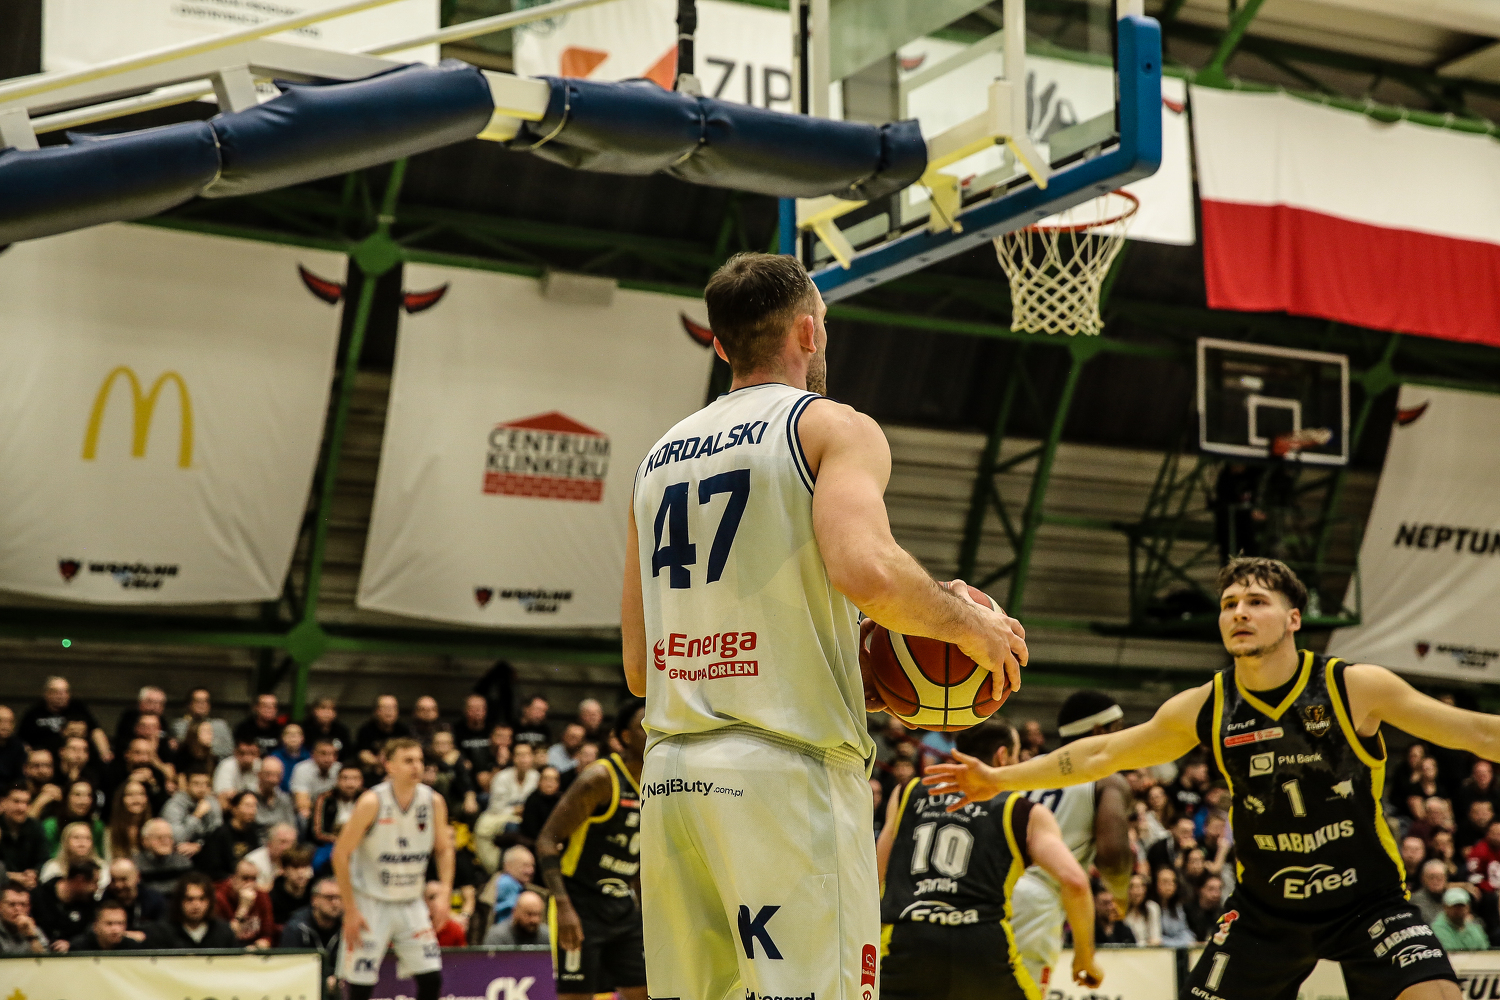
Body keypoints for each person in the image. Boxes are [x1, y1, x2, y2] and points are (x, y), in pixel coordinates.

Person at [623, 253, 1025, 1000]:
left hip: (672, 777)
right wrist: (969, 626)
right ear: (808, 331)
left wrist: (829, 665)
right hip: (786, 773)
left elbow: (640, 669)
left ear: (721, 344)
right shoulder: (830, 425)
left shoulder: (656, 461)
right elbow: (868, 573)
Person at [926, 556, 1478, 1000]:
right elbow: (1102, 753)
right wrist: (1000, 780)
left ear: (1293, 619)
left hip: (1367, 901)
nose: (1239, 613)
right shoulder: (1209, 706)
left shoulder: (1353, 687)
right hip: (1267, 912)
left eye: (1256, 602)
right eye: (1229, 604)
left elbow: (1474, 732)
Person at [876, 716, 1101, 1000]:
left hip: (907, 941)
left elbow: (876, 874)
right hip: (982, 947)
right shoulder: (1023, 810)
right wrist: (1084, 957)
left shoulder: (908, 792)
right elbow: (1075, 882)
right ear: (1002, 756)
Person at [1008, 691, 1132, 987]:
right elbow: (1113, 856)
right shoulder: (1108, 780)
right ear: (1099, 731)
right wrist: (1120, 895)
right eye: (1119, 729)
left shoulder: (1026, 768)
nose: (1125, 738)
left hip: (995, 891)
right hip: (1038, 898)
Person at [536, 700, 647, 1000]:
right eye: (644, 726)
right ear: (625, 736)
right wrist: (564, 907)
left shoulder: (659, 782)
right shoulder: (600, 779)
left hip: (623, 905)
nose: (653, 731)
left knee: (645, 992)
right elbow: (546, 840)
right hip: (580, 904)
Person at [333, 738, 454, 1000]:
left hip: (411, 902)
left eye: (419, 760)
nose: (417, 766)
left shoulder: (433, 801)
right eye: (408, 761)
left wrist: (445, 893)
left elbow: (444, 849)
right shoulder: (371, 802)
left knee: (431, 978)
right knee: (360, 987)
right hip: (370, 902)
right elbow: (340, 854)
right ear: (389, 766)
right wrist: (350, 909)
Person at [19, 677, 111, 761]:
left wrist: (105, 754)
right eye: (56, 692)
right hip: (45, 760)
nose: (61, 696)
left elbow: (96, 731)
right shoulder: (34, 713)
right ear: (46, 694)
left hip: (77, 757)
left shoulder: (78, 708)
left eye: (65, 692)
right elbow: (22, 741)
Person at [281, 877, 344, 1000]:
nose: (335, 903)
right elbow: (288, 970)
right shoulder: (296, 928)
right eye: (329, 898)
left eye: (339, 898)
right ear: (314, 900)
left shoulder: (347, 927)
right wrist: (322, 982)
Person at [146, 871, 239, 949]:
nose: (196, 905)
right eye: (189, 899)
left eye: (202, 899)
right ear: (179, 901)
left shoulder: (223, 932)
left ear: (210, 901)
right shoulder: (161, 933)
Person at [31, 859, 99, 951]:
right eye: (94, 882)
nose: (96, 888)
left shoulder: (90, 905)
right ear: (79, 880)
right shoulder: (38, 896)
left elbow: (89, 934)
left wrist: (71, 944)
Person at [199, 791, 262, 881]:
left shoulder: (254, 832)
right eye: (248, 806)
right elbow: (212, 868)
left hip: (249, 880)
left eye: (255, 806)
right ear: (234, 808)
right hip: (225, 881)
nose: (253, 810)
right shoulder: (221, 834)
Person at [312, 766, 364, 873]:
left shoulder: (368, 799)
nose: (350, 783)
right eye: (345, 778)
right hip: (331, 843)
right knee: (317, 863)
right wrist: (340, 841)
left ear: (361, 782)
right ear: (337, 781)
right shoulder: (325, 798)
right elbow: (318, 832)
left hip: (360, 843)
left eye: (355, 779)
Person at [216, 857, 276, 947]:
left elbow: (267, 935)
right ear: (232, 878)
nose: (250, 884)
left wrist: (257, 947)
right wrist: (243, 908)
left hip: (253, 950)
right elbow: (225, 938)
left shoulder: (262, 896)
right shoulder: (219, 898)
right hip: (229, 951)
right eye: (245, 878)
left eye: (254, 879)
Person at [101, 858, 165, 939]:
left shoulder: (154, 900)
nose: (118, 885)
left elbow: (162, 931)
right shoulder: (105, 900)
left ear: (137, 877)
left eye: (123, 879)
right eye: (113, 880)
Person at [0, 785, 48, 889]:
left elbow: (44, 859)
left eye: (26, 803)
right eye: (16, 802)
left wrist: (34, 872)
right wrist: (12, 877)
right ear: (3, 802)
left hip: (30, 885)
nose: (22, 808)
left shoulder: (35, 827)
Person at [41, 779, 104, 856]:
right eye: (77, 795)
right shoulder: (51, 825)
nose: (83, 801)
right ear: (66, 798)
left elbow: (98, 856)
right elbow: (46, 857)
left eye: (88, 795)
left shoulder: (97, 826)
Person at [162, 769, 221, 851]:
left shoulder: (211, 801)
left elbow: (218, 834)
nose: (202, 788)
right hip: (178, 850)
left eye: (206, 784)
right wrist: (196, 816)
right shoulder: (174, 805)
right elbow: (177, 838)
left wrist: (199, 845)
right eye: (196, 784)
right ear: (187, 785)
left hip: (204, 848)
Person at [39, 820, 107, 886]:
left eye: (87, 838)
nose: (82, 843)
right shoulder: (52, 867)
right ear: (66, 842)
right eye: (76, 837)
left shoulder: (102, 867)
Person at [354, 696, 410, 777]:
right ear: (376, 711)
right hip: (372, 772)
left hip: (398, 771)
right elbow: (363, 754)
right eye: (385, 708)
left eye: (393, 708)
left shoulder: (403, 731)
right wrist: (379, 762)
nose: (389, 711)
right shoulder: (366, 730)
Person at [172, 688, 235, 759]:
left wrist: (206, 746)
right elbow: (186, 749)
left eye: (205, 701)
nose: (202, 704)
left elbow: (229, 750)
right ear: (189, 704)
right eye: (198, 701)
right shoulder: (180, 725)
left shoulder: (220, 725)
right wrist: (214, 743)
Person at [135, 818, 194, 893]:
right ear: (145, 841)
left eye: (169, 837)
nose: (165, 841)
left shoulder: (183, 863)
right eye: (159, 837)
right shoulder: (135, 865)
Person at [291, 739, 342, 822]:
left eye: (332, 754)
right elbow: (302, 803)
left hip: (334, 810)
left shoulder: (339, 769)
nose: (328, 758)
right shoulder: (302, 769)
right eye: (323, 754)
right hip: (311, 812)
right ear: (313, 754)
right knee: (303, 815)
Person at [482, 888, 548, 947]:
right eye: (529, 914)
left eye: (538, 914)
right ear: (515, 912)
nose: (535, 920)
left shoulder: (547, 936)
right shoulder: (498, 936)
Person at [516, 766, 562, 849]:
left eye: (554, 779)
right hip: (533, 843)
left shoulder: (562, 800)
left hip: (556, 843)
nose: (549, 783)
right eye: (546, 779)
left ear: (558, 784)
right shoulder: (532, 800)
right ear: (539, 782)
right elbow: (531, 830)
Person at [1432, 887, 1489, 953]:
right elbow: (1450, 951)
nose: (1458, 910)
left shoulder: (1475, 928)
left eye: (1462, 906)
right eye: (1454, 906)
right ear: (1445, 907)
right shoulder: (1437, 929)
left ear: (1468, 907)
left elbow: (1485, 950)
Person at [107, 778, 152, 859]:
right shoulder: (110, 832)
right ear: (121, 800)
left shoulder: (154, 828)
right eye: (130, 794)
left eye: (141, 794)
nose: (136, 799)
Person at [270, 846, 315, 926]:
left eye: (305, 866)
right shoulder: (273, 896)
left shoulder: (315, 891)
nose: (301, 872)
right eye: (295, 867)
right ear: (284, 870)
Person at [0, 877, 47, 953]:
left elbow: (44, 959)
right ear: (0, 906)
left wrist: (31, 937)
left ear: (29, 908)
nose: (18, 909)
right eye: (12, 904)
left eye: (23, 905)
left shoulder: (33, 930)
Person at [246, 822, 299, 890]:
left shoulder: (296, 860)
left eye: (292, 843)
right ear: (269, 843)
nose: (288, 847)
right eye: (283, 842)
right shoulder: (253, 862)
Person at [490, 845, 534, 924]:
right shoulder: (507, 883)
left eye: (532, 866)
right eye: (525, 865)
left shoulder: (517, 884)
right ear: (508, 865)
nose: (531, 871)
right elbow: (508, 918)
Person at [302, 698, 354, 764]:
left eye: (331, 709)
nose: (327, 712)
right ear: (314, 711)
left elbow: (347, 754)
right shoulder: (304, 729)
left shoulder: (341, 730)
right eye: (323, 708)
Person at [254, 758, 297, 836]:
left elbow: (292, 827)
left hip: (281, 840)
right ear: (259, 774)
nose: (273, 780)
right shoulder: (249, 797)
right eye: (268, 774)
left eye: (277, 775)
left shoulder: (285, 799)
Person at [214, 740, 262, 810]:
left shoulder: (261, 766)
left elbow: (263, 793)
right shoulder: (226, 765)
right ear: (235, 753)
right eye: (242, 753)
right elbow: (223, 795)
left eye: (252, 754)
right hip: (232, 808)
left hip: (257, 807)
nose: (247, 758)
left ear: (258, 754)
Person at [1123, 872, 1162, 946]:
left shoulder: (1152, 908)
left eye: (1139, 887)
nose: (1135, 891)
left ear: (1145, 890)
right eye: (1131, 887)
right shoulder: (1120, 909)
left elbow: (1156, 938)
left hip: (1148, 950)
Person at [23, 749, 61, 821]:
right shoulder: (16, 791)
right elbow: (23, 824)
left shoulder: (58, 792)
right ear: (25, 768)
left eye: (48, 766)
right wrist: (41, 801)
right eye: (36, 766)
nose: (42, 771)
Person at [1414, 858, 1454, 925]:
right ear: (1423, 878)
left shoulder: (1452, 898)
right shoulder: (1416, 901)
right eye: (1431, 877)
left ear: (1446, 878)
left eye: (1440, 877)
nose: (1435, 881)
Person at [426, 880, 466, 946]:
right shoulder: (419, 927)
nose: (433, 903)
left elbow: (463, 952)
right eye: (430, 898)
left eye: (434, 897)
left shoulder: (455, 929)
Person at [0, 707, 27, 789]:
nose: (5, 725)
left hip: (11, 790)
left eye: (10, 722)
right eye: (1, 721)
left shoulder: (18, 746)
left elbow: (20, 777)